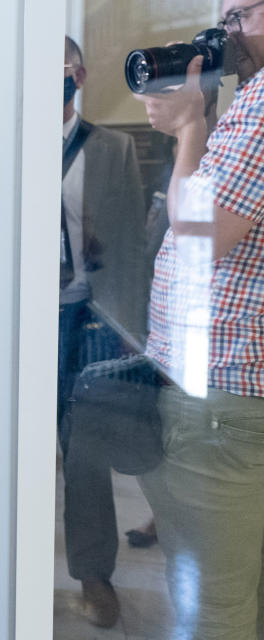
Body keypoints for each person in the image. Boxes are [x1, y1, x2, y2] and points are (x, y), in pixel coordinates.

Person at [133, 1, 264, 637]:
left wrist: (189, 130)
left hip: (224, 398)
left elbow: (200, 234)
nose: (227, 31)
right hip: (239, 396)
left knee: (212, 604)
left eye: (241, 13)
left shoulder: (263, 104)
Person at [55, 36, 148, 629]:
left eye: (58, 70)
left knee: (82, 452)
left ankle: (94, 575)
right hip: (19, 321)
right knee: (13, 451)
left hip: (83, 316)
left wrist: (126, 330)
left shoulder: (111, 148)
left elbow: (133, 245)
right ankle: (6, 569)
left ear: (79, 75)